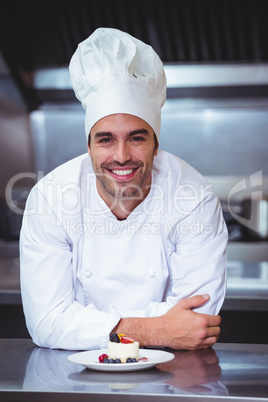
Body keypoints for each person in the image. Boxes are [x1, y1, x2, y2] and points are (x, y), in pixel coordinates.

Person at [20, 27, 228, 351]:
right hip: (73, 380)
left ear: (156, 145)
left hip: (171, 377)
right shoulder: (51, 198)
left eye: (136, 137)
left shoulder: (193, 195)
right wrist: (158, 329)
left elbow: (196, 322)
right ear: (88, 146)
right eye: (106, 139)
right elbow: (47, 323)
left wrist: (84, 326)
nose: (121, 156)